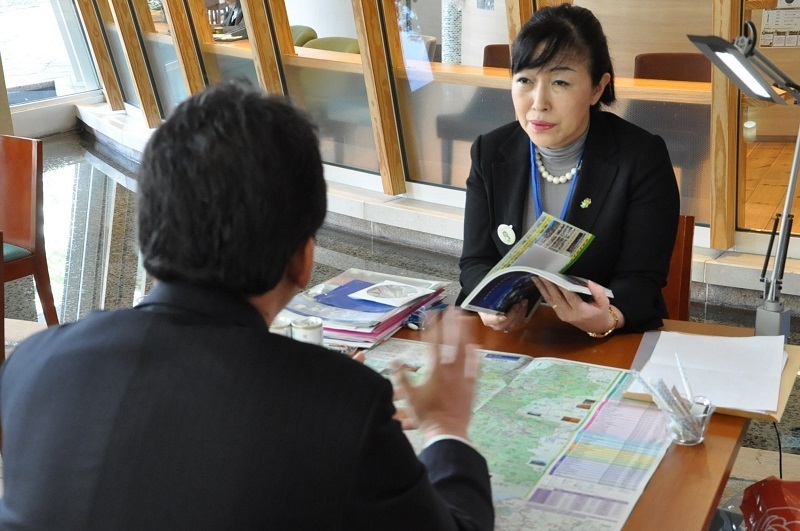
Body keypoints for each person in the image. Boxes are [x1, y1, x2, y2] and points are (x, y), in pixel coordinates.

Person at [0, 81, 493, 529]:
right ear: (303, 260)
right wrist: (446, 427)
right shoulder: (342, 405)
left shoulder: (32, 365)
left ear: (146, 232)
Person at [458, 4, 679, 336]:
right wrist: (488, 304)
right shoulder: (490, 152)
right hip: (518, 336)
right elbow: (475, 261)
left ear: (597, 88)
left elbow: (641, 278)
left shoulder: (640, 158)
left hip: (609, 340)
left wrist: (609, 319)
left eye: (560, 82)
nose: (539, 102)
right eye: (525, 80)